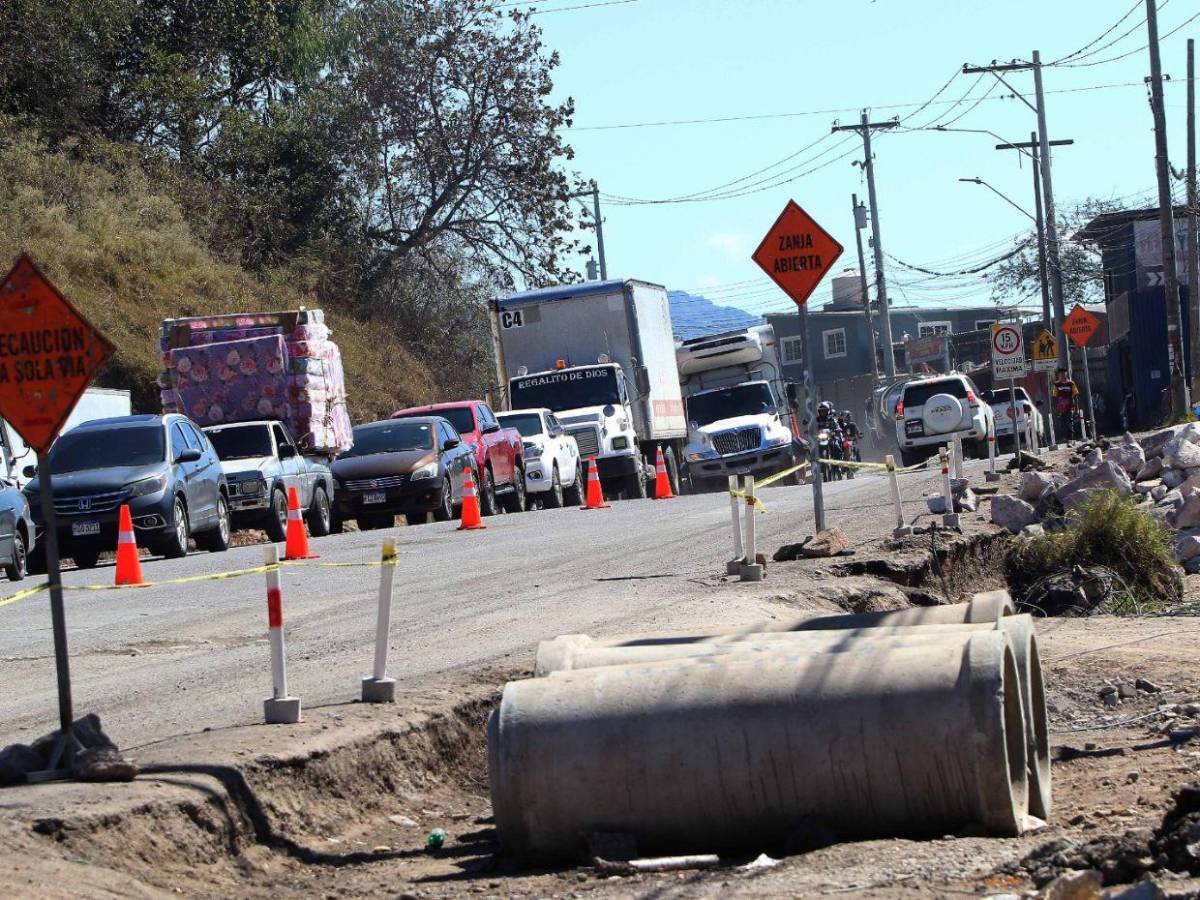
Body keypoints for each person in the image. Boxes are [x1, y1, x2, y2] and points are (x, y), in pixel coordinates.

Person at [1053, 367, 1079, 443]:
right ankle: (1065, 438)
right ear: (1059, 375)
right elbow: (1054, 397)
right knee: (1062, 423)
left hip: (1070, 406)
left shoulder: (1071, 383)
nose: (1062, 375)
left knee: (1069, 422)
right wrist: (1055, 408)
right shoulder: (1056, 384)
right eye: (1061, 374)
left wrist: (1076, 407)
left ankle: (1070, 438)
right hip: (1060, 408)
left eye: (1064, 373)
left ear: (1066, 374)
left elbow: (1075, 396)